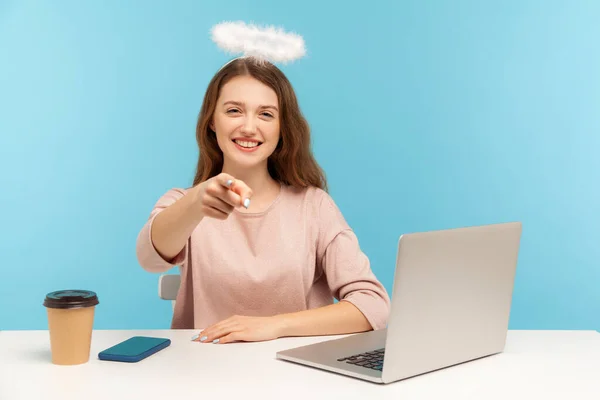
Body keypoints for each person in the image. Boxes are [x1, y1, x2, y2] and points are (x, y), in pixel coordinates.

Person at [135, 56, 390, 344]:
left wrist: (274, 326)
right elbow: (148, 258)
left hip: (299, 376)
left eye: (266, 114)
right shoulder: (185, 202)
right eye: (234, 111)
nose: (248, 127)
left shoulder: (314, 206)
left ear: (282, 129)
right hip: (206, 374)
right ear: (211, 122)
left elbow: (373, 305)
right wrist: (195, 203)